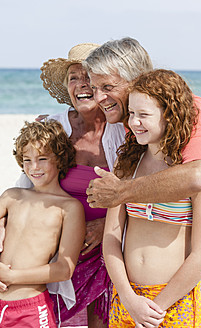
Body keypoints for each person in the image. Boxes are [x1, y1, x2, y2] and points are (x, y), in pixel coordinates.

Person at [84, 37, 201, 327]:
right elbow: (114, 237)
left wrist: (120, 192)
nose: (99, 98)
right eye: (94, 88)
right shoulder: (130, 153)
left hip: (186, 287)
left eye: (107, 87)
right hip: (129, 298)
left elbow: (197, 177)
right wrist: (129, 298)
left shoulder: (195, 111)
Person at [17, 43, 126, 327]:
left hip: (110, 247)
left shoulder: (122, 129)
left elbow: (137, 190)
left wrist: (106, 227)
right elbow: (24, 189)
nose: (81, 85)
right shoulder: (52, 128)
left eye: (88, 77)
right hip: (60, 250)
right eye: (73, 78)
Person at [0, 120, 85, 327]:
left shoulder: (69, 207)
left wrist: (12, 276)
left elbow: (64, 269)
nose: (34, 167)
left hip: (30, 309)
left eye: (42, 158)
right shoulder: (12, 196)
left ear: (60, 158)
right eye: (27, 160)